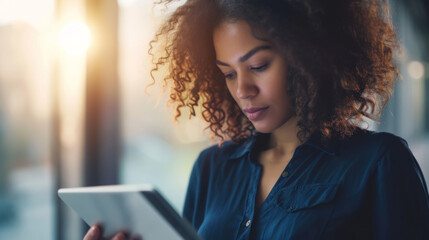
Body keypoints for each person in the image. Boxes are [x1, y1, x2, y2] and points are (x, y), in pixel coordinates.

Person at [84, 0, 429, 239]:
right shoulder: (211, 168)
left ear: (306, 56)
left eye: (259, 66)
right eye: (228, 74)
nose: (243, 89)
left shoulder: (379, 163)